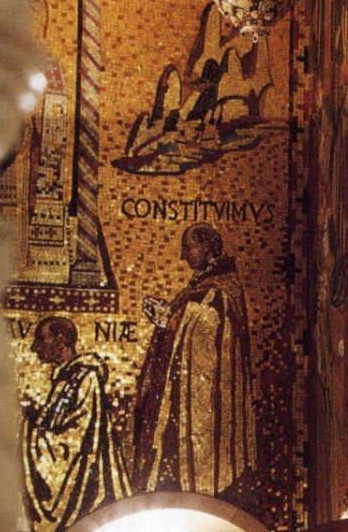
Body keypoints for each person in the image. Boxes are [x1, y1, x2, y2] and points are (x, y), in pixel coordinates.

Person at [132, 223, 258, 497]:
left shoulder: (222, 287)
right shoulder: (201, 286)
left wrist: (170, 319)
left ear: (207, 246)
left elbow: (211, 326)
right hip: (182, 391)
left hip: (206, 396)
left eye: (188, 248)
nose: (183, 256)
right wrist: (169, 318)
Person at [22, 316, 130, 531]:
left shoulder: (84, 378)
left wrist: (26, 433)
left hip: (82, 483)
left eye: (41, 339)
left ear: (61, 340)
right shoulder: (66, 378)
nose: (34, 348)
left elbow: (78, 439)